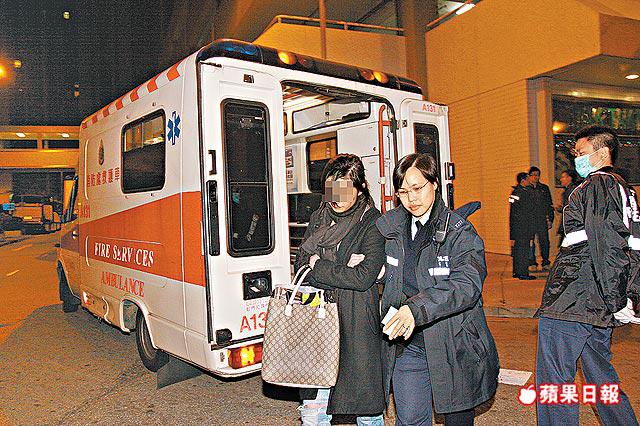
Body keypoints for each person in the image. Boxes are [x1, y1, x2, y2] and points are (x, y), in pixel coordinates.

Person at [376, 153, 499, 426]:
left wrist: (416, 309)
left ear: (434, 184)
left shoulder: (458, 231)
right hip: (408, 344)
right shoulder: (391, 228)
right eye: (403, 192)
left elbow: (467, 283)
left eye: (417, 188)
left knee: (457, 418)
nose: (411, 198)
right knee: (410, 419)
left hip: (453, 342)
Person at [535, 125, 640, 426]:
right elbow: (630, 248)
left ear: (603, 153)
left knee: (555, 381)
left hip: (574, 297)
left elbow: (606, 244)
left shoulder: (597, 185)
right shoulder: (626, 191)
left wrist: (617, 298)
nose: (576, 159)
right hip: (597, 301)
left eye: (581, 153)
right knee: (600, 377)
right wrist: (627, 296)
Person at [295, 153, 386, 426]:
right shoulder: (319, 217)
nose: (336, 195)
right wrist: (341, 270)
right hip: (317, 321)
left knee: (366, 410)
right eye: (331, 187)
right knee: (314, 409)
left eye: (344, 187)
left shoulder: (372, 221)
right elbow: (301, 265)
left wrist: (319, 265)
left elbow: (363, 277)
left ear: (360, 188)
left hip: (355, 324)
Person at [510, 172, 536, 280]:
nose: (531, 179)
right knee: (523, 250)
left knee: (517, 250)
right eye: (528, 178)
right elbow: (527, 210)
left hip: (517, 226)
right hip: (524, 226)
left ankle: (517, 271)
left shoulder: (515, 192)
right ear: (523, 180)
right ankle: (523, 273)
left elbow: (513, 210)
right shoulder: (523, 193)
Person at [527, 166, 554, 270]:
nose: (535, 177)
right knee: (530, 242)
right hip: (530, 220)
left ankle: (545, 262)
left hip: (542, 219)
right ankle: (532, 262)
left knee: (544, 241)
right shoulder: (526, 189)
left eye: (537, 175)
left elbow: (549, 204)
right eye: (533, 175)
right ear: (529, 176)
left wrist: (550, 219)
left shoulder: (544, 189)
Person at [554, 169, 578, 242]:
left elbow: (571, 207)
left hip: (570, 223)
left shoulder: (571, 191)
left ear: (569, 178)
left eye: (563, 177)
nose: (561, 179)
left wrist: (561, 208)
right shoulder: (571, 190)